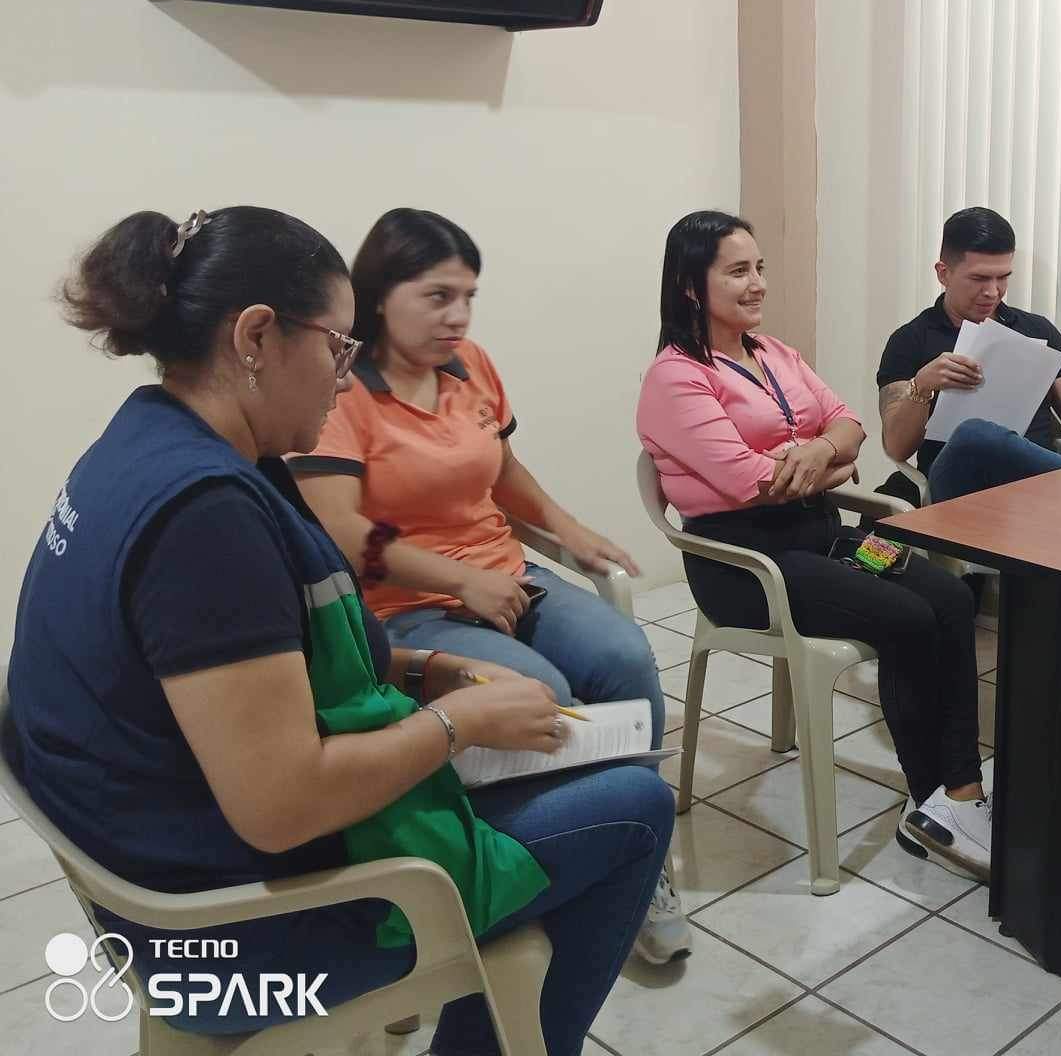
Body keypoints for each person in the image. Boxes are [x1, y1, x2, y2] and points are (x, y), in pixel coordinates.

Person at [8, 206, 673, 1053]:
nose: (343, 375)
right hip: (230, 937)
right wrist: (458, 722)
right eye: (336, 347)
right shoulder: (205, 518)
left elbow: (263, 665)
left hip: (170, 872)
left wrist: (428, 673)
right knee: (637, 809)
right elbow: (281, 808)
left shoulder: (150, 440)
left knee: (568, 737)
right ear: (255, 336)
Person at [289, 208, 688, 964]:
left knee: (623, 657)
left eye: (468, 297)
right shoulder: (343, 391)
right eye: (438, 297)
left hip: (506, 576)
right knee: (540, 693)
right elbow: (338, 527)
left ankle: (642, 850)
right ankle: (541, 867)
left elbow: (503, 472)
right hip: (407, 609)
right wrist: (458, 580)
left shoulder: (469, 365)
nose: (459, 317)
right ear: (381, 296)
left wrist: (570, 529)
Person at [636, 211, 992, 876]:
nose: (757, 284)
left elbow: (850, 422)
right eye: (737, 271)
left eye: (759, 268)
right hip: (750, 566)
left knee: (948, 595)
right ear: (690, 286)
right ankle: (932, 802)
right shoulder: (675, 377)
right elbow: (750, 483)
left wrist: (821, 452)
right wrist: (827, 461)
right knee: (909, 618)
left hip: (832, 541)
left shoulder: (774, 353)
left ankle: (963, 789)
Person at [877, 207, 1061, 506]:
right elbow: (896, 448)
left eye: (1003, 278)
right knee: (975, 433)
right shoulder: (911, 340)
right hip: (960, 487)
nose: (993, 291)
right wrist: (921, 385)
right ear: (944, 273)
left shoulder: (1037, 330)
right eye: (979, 278)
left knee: (993, 437)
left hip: (1033, 487)